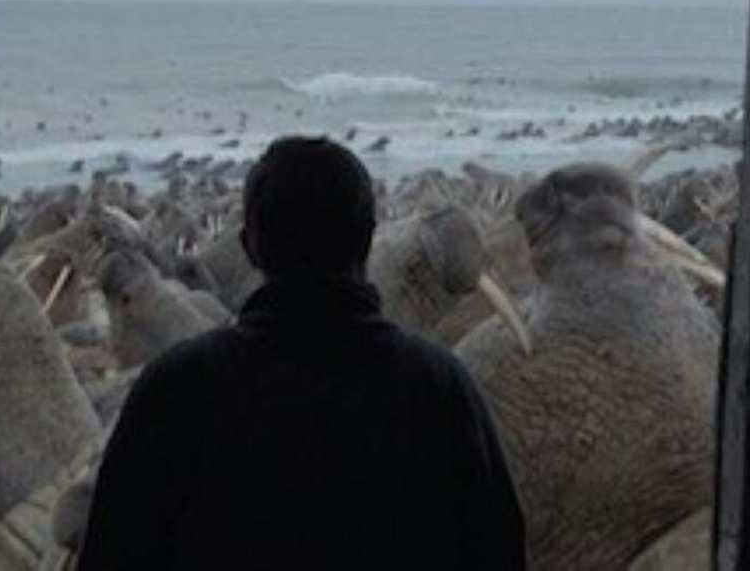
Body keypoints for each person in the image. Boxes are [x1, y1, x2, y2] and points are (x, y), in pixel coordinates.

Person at [77, 136, 525, 570]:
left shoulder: (176, 388)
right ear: (368, 238)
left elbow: (111, 554)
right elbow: (498, 551)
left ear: (250, 244)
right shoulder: (440, 387)